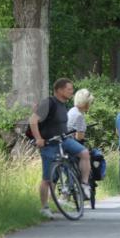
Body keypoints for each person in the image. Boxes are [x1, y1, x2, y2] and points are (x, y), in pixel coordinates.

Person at [29, 79, 91, 218]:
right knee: (47, 179)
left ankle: (84, 184)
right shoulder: (48, 103)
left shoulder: (64, 105)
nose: (71, 92)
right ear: (60, 90)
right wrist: (39, 138)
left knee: (84, 153)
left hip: (64, 140)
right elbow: (33, 120)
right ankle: (44, 207)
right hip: (49, 144)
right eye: (69, 89)